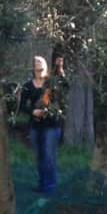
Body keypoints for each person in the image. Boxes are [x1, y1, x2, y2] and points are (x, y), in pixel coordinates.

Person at [20, 53, 67, 194]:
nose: (39, 69)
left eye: (42, 66)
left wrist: (60, 69)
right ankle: (42, 184)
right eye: (37, 66)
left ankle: (50, 187)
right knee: (39, 155)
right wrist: (32, 111)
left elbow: (64, 86)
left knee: (48, 155)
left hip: (51, 125)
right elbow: (22, 104)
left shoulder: (50, 82)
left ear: (45, 67)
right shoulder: (28, 86)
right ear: (33, 68)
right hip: (35, 126)